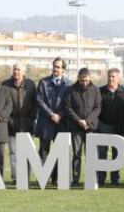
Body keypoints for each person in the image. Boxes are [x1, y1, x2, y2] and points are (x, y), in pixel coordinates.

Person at [35, 57, 70, 185]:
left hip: (61, 123)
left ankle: (57, 179)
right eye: (54, 66)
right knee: (44, 151)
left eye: (58, 67)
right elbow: (39, 100)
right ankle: (43, 178)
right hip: (46, 122)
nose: (56, 69)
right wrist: (51, 114)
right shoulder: (43, 82)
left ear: (63, 69)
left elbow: (69, 104)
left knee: (59, 152)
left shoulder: (68, 84)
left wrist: (60, 115)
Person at [64, 68, 101, 187]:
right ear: (78, 79)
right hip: (76, 127)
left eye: (86, 80)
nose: (84, 83)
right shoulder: (71, 90)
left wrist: (87, 121)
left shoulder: (95, 90)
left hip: (91, 127)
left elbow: (97, 107)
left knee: (91, 154)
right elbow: (67, 107)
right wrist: (79, 120)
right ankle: (75, 179)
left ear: (89, 78)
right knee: (76, 154)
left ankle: (91, 179)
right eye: (81, 80)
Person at [2, 63, 36, 186]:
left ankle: (26, 177)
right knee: (13, 152)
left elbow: (35, 104)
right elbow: (3, 104)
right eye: (15, 69)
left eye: (19, 70)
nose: (16, 71)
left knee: (29, 152)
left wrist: (31, 118)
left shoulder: (31, 84)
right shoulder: (5, 84)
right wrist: (9, 120)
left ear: (23, 71)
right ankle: (16, 178)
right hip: (11, 124)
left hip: (28, 124)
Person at [97, 68, 124, 185]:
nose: (111, 78)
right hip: (104, 126)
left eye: (113, 76)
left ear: (118, 78)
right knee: (102, 154)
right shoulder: (100, 91)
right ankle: (100, 178)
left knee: (117, 154)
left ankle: (115, 178)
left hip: (119, 128)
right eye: (109, 76)